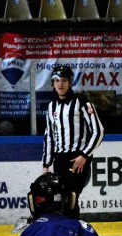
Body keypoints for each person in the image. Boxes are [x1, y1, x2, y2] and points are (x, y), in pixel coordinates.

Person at [42, 64, 105, 219]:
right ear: (53, 83)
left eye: (64, 80)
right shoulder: (51, 107)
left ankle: (73, 233)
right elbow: (49, 136)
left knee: (71, 195)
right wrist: (46, 164)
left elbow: (98, 131)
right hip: (59, 159)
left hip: (77, 158)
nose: (60, 84)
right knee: (60, 199)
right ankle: (67, 233)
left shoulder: (81, 102)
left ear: (70, 82)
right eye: (57, 80)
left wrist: (84, 155)